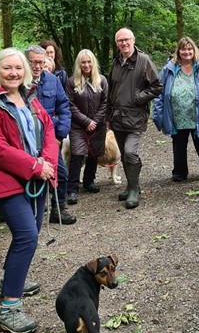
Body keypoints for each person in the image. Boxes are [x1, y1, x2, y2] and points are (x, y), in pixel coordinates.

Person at [0, 48, 58, 333]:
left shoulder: (30, 99)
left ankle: (9, 280)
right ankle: (9, 307)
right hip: (7, 181)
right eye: (7, 68)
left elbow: (48, 131)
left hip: (37, 178)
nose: (13, 73)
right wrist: (35, 165)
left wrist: (48, 164)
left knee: (28, 234)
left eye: (18, 68)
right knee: (27, 236)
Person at [152, 37, 199, 182]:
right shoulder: (169, 69)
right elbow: (159, 93)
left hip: (198, 113)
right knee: (179, 143)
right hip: (177, 115)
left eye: (189, 49)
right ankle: (179, 172)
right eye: (183, 49)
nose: (187, 52)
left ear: (194, 50)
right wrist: (158, 115)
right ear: (178, 51)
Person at [107, 28, 163, 209]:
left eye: (127, 39)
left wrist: (139, 97)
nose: (124, 43)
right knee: (124, 153)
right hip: (117, 117)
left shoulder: (144, 61)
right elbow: (111, 91)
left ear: (133, 40)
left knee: (130, 152)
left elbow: (157, 86)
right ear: (116, 43)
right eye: (120, 40)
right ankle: (133, 186)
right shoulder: (116, 62)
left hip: (135, 117)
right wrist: (108, 116)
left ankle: (133, 189)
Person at [26, 46, 75, 225]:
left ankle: (58, 209)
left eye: (41, 62)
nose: (38, 66)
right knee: (29, 175)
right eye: (34, 62)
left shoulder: (53, 81)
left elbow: (64, 107)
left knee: (60, 173)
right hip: (27, 142)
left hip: (50, 139)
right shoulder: (19, 83)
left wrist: (59, 136)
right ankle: (28, 214)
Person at [65, 49, 109, 204]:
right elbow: (69, 104)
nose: (86, 65)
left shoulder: (102, 80)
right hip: (78, 125)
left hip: (97, 124)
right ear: (79, 64)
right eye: (83, 62)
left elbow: (105, 102)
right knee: (77, 154)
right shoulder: (71, 82)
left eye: (89, 61)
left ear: (93, 63)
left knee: (93, 153)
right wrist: (86, 122)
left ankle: (89, 181)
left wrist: (95, 121)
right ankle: (72, 189)